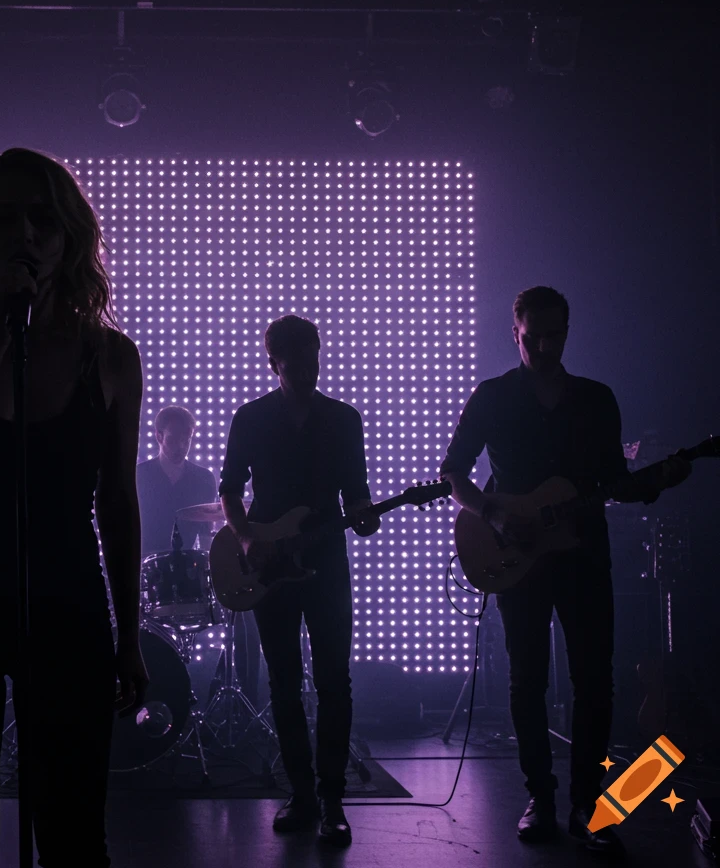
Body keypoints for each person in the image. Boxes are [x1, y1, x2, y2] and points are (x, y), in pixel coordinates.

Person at [0, 148, 148, 867]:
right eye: (4, 219)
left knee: (74, 834)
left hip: (67, 602)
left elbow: (118, 502)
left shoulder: (109, 358)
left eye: (43, 219)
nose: (25, 235)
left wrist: (128, 635)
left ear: (68, 237)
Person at [440, 286, 690, 856]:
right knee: (526, 679)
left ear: (568, 332)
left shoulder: (595, 400)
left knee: (594, 681)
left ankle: (587, 803)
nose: (545, 347)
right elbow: (454, 471)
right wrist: (494, 515)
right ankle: (541, 798)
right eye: (534, 338)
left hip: (582, 553)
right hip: (517, 559)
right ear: (515, 332)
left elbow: (611, 482)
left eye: (555, 336)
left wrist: (654, 482)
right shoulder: (493, 397)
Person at [218, 314, 379, 847]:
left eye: (313, 358)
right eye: (296, 362)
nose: (308, 369)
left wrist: (365, 513)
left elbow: (355, 492)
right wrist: (245, 539)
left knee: (335, 681)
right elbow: (230, 488)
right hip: (270, 562)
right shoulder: (251, 418)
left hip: (327, 558)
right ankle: (303, 794)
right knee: (285, 682)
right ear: (275, 363)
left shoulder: (343, 420)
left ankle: (332, 798)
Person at [136, 405, 217, 557]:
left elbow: (206, 532)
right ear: (159, 436)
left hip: (186, 567)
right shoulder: (139, 475)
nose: (180, 447)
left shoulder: (204, 479)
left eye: (186, 441)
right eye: (172, 440)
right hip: (142, 566)